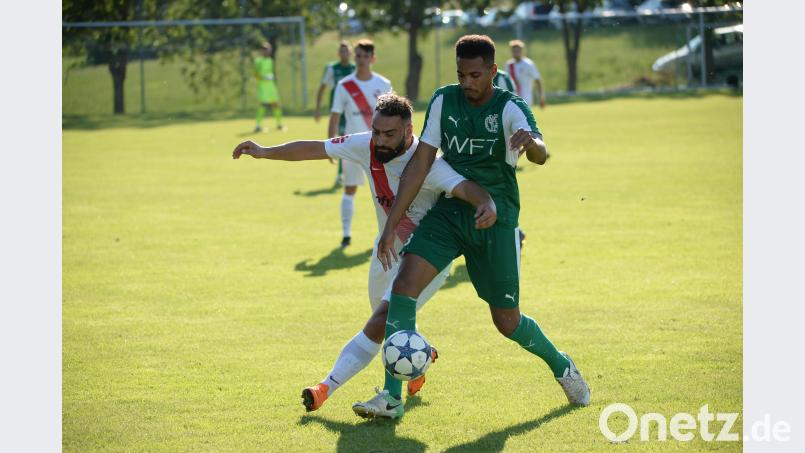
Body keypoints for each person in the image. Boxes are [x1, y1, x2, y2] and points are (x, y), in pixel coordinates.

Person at [353, 35, 590, 420]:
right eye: (461, 74)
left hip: (495, 217)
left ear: (493, 72)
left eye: (475, 75)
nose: (467, 82)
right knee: (403, 288)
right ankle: (392, 398)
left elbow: (542, 154)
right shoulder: (445, 100)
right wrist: (390, 227)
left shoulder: (509, 107)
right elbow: (420, 165)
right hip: (451, 212)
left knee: (507, 321)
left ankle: (562, 366)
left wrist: (532, 143)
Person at [231, 93, 498, 414]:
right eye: (376, 132)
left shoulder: (428, 164)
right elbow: (316, 147)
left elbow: (466, 188)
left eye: (390, 134)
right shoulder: (366, 146)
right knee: (390, 326)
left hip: (428, 259)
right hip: (385, 252)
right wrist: (264, 151)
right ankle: (420, 356)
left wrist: (486, 202)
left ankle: (326, 389)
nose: (381, 141)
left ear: (410, 131)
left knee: (382, 320)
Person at [329, 39, 392, 248]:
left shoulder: (383, 84)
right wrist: (331, 147)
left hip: (380, 147)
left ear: (373, 58)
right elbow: (335, 116)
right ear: (354, 57)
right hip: (352, 147)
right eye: (359, 55)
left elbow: (394, 116)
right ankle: (346, 235)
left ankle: (387, 234)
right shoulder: (344, 85)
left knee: (386, 193)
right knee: (349, 190)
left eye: (366, 56)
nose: (362, 60)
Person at [315, 41, 356, 187]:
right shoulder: (332, 69)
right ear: (339, 53)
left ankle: (345, 172)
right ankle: (340, 173)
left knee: (347, 139)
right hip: (338, 110)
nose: (344, 54)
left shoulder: (355, 69)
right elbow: (322, 88)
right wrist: (318, 108)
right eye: (342, 51)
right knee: (341, 138)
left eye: (347, 51)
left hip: (352, 111)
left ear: (351, 53)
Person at [254, 42, 285, 132]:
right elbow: (255, 75)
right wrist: (263, 77)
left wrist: (271, 76)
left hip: (271, 86)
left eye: (269, 50)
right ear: (262, 51)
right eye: (266, 50)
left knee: (276, 104)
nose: (268, 52)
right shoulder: (258, 61)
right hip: (263, 86)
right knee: (263, 105)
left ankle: (279, 124)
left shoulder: (270, 60)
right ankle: (257, 125)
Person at [505, 39, 545, 109]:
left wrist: (541, 97)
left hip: (526, 99)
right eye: (514, 51)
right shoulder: (509, 65)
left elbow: (538, 80)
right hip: (512, 99)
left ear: (522, 51)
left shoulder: (528, 64)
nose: (516, 52)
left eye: (518, 50)